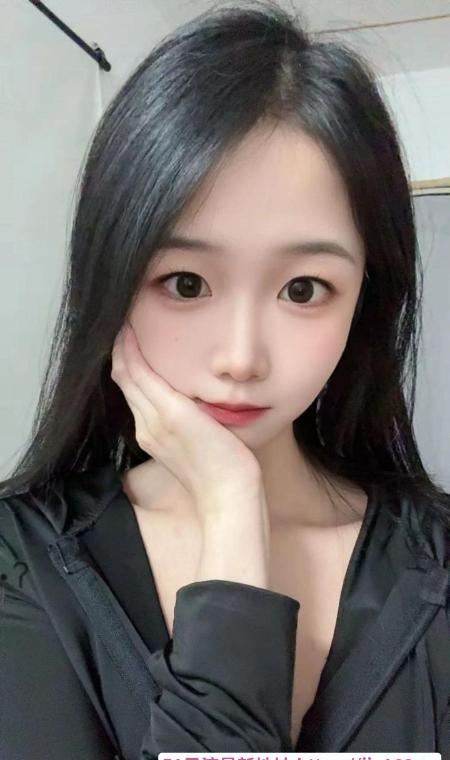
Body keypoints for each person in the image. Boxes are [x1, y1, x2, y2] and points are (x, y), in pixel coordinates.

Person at [0, 1, 449, 758]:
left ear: (365, 298)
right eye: (185, 283)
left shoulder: (434, 567)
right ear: (111, 283)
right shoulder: (24, 562)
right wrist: (230, 506)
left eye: (303, 289)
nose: (241, 358)